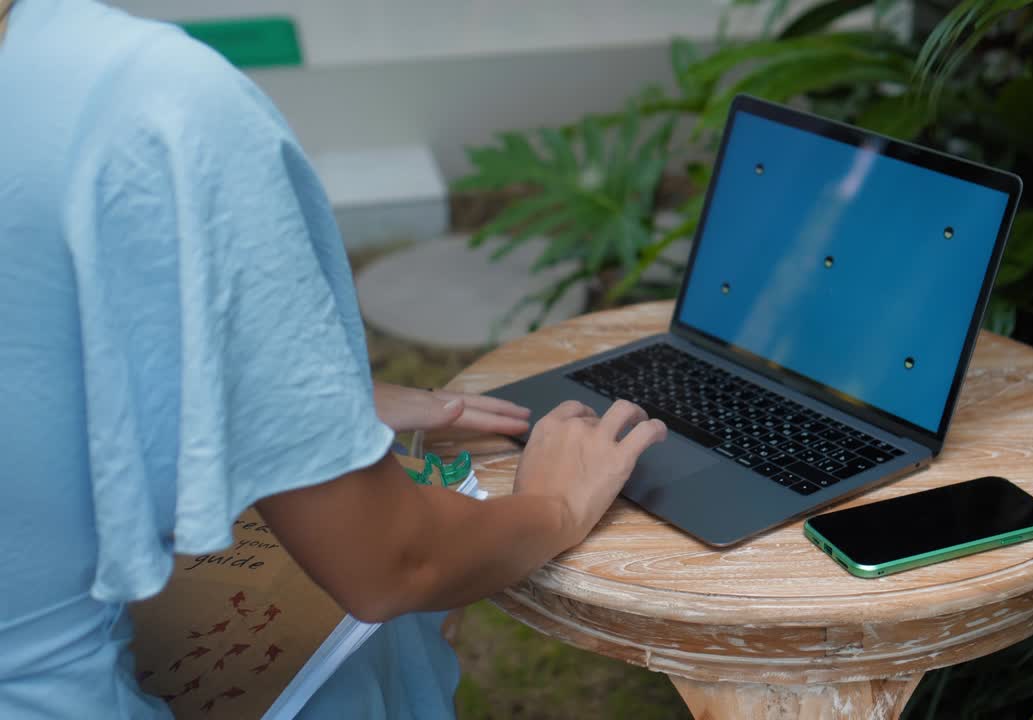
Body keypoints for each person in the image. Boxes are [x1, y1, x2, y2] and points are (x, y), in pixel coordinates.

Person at [0, 0, 667, 717]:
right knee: (382, 643)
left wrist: (281, 395)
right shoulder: (146, 103)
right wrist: (556, 506)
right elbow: (394, 564)